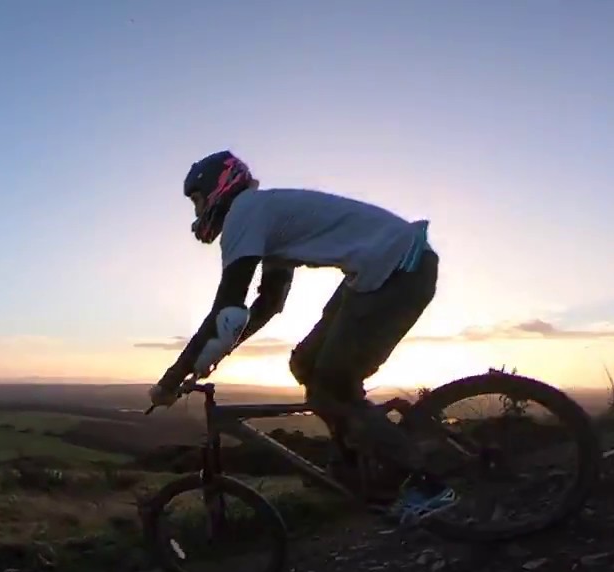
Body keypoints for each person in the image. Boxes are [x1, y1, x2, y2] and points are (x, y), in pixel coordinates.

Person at [146, 150, 458, 523]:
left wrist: (171, 378)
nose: (197, 213)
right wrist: (219, 352)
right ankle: (359, 460)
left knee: (332, 385)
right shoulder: (262, 212)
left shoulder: (244, 214)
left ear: (219, 187)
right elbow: (268, 303)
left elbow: (226, 309)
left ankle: (425, 483)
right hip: (382, 272)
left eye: (197, 200)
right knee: (305, 363)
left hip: (398, 270)